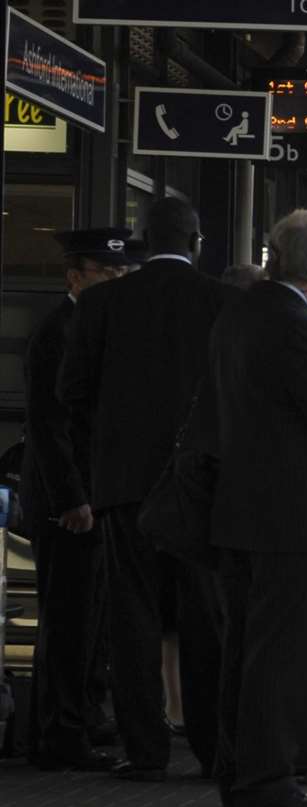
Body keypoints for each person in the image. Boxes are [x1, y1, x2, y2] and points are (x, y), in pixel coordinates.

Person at [59, 196, 236, 782]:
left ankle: (145, 750)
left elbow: (73, 394)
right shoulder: (223, 303)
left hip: (125, 485)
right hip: (201, 486)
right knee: (204, 616)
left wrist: (104, 457)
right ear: (196, 240)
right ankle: (213, 748)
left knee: (130, 616)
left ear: (141, 239)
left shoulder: (104, 303)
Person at [207, 210, 307, 807]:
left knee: (244, 648)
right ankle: (267, 778)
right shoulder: (295, 324)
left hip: (241, 509)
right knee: (283, 651)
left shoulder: (239, 313)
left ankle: (239, 768)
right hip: (295, 518)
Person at [19, 228, 137, 771]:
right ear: (74, 277)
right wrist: (72, 497)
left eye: (120, 274)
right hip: (67, 504)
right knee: (66, 619)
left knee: (91, 617)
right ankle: (59, 734)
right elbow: (50, 427)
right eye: (105, 273)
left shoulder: (94, 327)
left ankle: (86, 714)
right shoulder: (58, 332)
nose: (116, 282)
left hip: (95, 496)